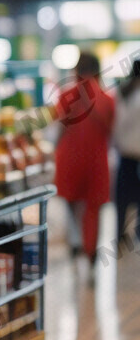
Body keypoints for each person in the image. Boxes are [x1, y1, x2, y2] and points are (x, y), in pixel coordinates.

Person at [53, 52, 115, 276]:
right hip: (96, 161)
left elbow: (59, 127)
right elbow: (110, 131)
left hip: (69, 158)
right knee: (93, 209)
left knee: (71, 204)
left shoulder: (67, 95)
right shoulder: (107, 99)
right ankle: (90, 252)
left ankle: (75, 242)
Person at [114, 59, 140, 254]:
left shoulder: (123, 93)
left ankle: (121, 235)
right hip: (135, 155)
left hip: (124, 155)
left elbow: (116, 126)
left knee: (122, 200)